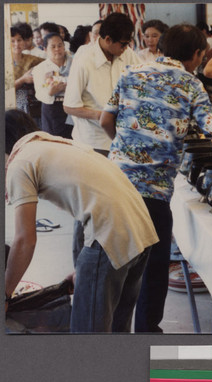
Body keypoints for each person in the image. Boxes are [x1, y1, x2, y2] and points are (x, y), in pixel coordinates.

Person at [100, 24, 212, 333]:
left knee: (117, 264)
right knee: (153, 269)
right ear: (196, 55)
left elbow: (106, 120)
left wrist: (126, 152)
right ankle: (147, 332)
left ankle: (114, 334)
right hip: (152, 194)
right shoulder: (190, 84)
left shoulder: (131, 73)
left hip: (114, 185)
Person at [5, 109, 159, 333]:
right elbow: (92, 200)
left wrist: (6, 293)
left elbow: (24, 239)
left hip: (109, 237)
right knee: (118, 328)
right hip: (141, 232)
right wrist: (84, 270)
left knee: (88, 334)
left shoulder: (21, 162)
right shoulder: (60, 145)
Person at [63, 12, 140, 155]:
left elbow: (142, 80)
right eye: (123, 44)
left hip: (124, 138)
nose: (125, 48)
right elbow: (69, 106)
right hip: (93, 141)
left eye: (128, 44)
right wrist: (103, 115)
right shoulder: (84, 60)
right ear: (108, 39)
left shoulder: (127, 53)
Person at [32, 33, 73, 138]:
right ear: (45, 49)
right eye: (53, 47)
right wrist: (50, 92)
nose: (57, 49)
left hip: (73, 106)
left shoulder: (74, 64)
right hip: (52, 109)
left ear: (64, 46)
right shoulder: (40, 69)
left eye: (60, 45)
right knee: (55, 143)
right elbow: (39, 93)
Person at [11, 25, 44, 121]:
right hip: (10, 108)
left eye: (19, 40)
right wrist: (23, 80)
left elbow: (49, 64)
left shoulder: (32, 59)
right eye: (12, 41)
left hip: (32, 108)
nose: (16, 44)